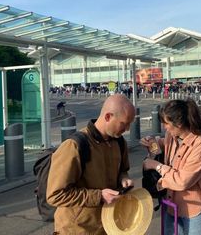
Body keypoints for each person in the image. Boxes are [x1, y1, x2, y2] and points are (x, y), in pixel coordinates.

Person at [46, 94, 135, 234]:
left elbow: (123, 170)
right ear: (108, 117)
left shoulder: (119, 142)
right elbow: (55, 195)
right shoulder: (74, 146)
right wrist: (99, 196)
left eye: (130, 123)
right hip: (77, 229)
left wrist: (124, 178)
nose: (128, 128)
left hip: (108, 225)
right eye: (124, 123)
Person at [142, 99, 201, 235]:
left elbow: (183, 181)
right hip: (170, 205)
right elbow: (164, 144)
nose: (164, 127)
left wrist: (157, 166)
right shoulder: (172, 136)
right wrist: (153, 142)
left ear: (179, 124)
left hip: (193, 209)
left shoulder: (199, 143)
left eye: (166, 123)